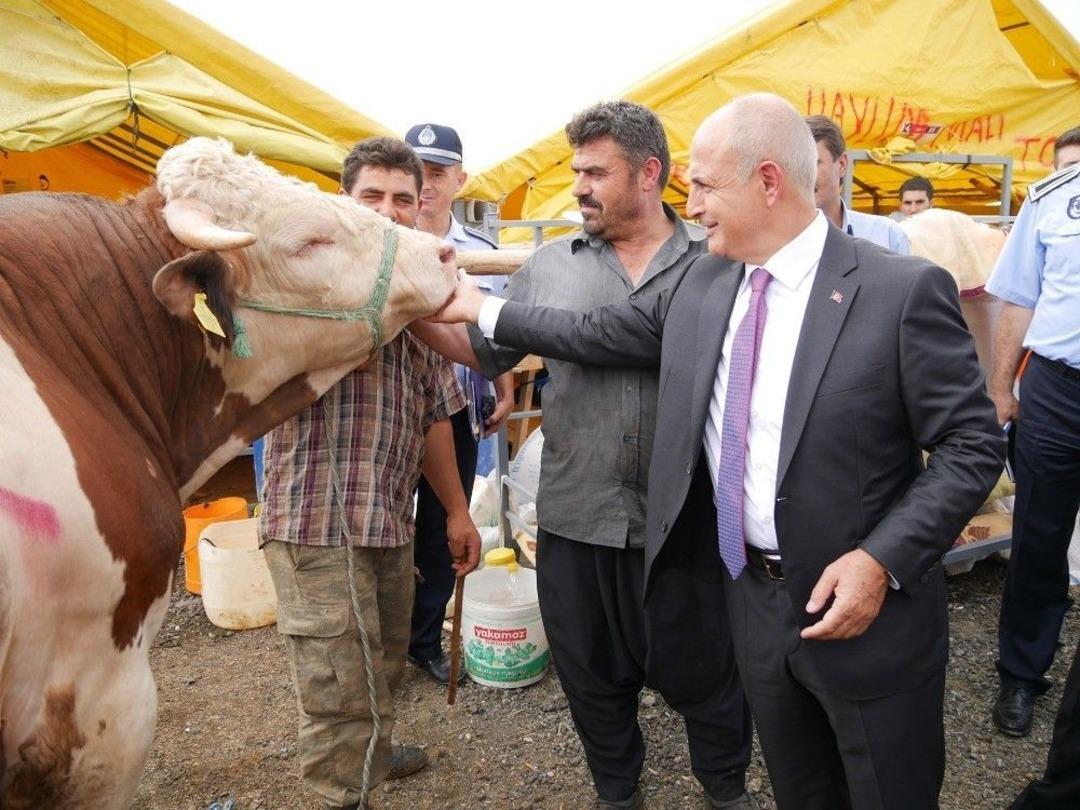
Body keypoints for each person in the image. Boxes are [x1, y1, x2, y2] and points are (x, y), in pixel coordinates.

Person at [431, 93, 1005, 810]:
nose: (689, 201)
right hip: (754, 606)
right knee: (802, 789)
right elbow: (598, 333)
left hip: (865, 613)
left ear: (768, 181)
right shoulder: (705, 280)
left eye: (703, 184)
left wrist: (881, 559)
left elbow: (971, 446)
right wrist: (476, 307)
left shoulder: (898, 290)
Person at [413, 100, 752, 810]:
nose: (579, 187)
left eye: (596, 172)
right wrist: (406, 310)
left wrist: (478, 306)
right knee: (593, 679)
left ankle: (725, 790)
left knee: (710, 674)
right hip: (577, 516)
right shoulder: (548, 267)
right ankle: (618, 793)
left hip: (684, 522)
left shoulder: (715, 264)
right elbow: (481, 349)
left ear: (649, 173)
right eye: (576, 171)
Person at [259, 135, 481, 810]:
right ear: (344, 199)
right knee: (335, 682)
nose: (389, 210)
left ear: (421, 207)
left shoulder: (413, 298)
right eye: (372, 196)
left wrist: (456, 511)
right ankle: (340, 792)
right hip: (313, 522)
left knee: (384, 658)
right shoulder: (298, 281)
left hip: (387, 520)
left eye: (403, 198)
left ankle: (375, 757)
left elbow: (436, 415)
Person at [402, 122, 513, 685]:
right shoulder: (383, 241)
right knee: (390, 526)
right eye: (415, 171)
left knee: (449, 523)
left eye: (437, 172)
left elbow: (500, 337)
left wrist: (507, 383)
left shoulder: (484, 254)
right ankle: (383, 641)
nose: (424, 185)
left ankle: (424, 640)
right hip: (395, 420)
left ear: (459, 180)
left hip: (459, 409)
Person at [988, 125, 1080, 741]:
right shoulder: (1052, 198)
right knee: (1040, 536)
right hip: (1058, 388)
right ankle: (1022, 673)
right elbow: (1018, 298)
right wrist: (1000, 387)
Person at [805, 115, 910, 253]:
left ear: (842, 165)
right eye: (796, 165)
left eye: (813, 163)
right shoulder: (775, 243)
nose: (803, 175)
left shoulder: (886, 236)